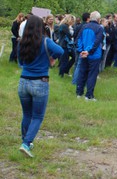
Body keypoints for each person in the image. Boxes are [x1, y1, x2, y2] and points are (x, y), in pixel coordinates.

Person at [17, 15, 64, 158]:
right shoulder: (45, 41)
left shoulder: (21, 43)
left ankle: (26, 141)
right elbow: (60, 51)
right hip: (40, 82)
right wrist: (51, 59)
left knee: (27, 114)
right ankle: (26, 144)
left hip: (23, 82)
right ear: (41, 27)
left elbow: (20, 62)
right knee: (37, 116)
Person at [75, 11, 104, 101]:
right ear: (98, 19)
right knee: (92, 75)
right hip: (94, 55)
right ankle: (89, 95)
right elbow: (97, 42)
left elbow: (78, 39)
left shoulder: (84, 26)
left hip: (84, 54)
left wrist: (81, 50)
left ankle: (79, 93)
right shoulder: (99, 28)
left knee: (82, 73)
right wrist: (89, 51)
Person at [72, 12, 90, 85]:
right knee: (79, 65)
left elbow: (74, 35)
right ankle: (76, 81)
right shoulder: (87, 26)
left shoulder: (79, 25)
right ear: (88, 18)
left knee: (76, 64)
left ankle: (74, 79)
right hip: (81, 47)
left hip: (77, 45)